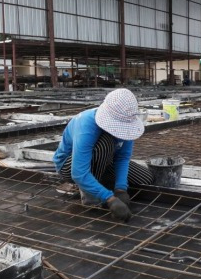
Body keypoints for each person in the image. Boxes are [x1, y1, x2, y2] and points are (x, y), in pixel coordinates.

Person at [53, 89, 153, 222]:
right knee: (104, 144)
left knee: (145, 178)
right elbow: (78, 173)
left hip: (105, 160)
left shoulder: (127, 124)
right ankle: (91, 197)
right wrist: (109, 198)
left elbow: (122, 157)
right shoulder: (86, 125)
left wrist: (121, 189)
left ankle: (97, 184)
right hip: (70, 166)